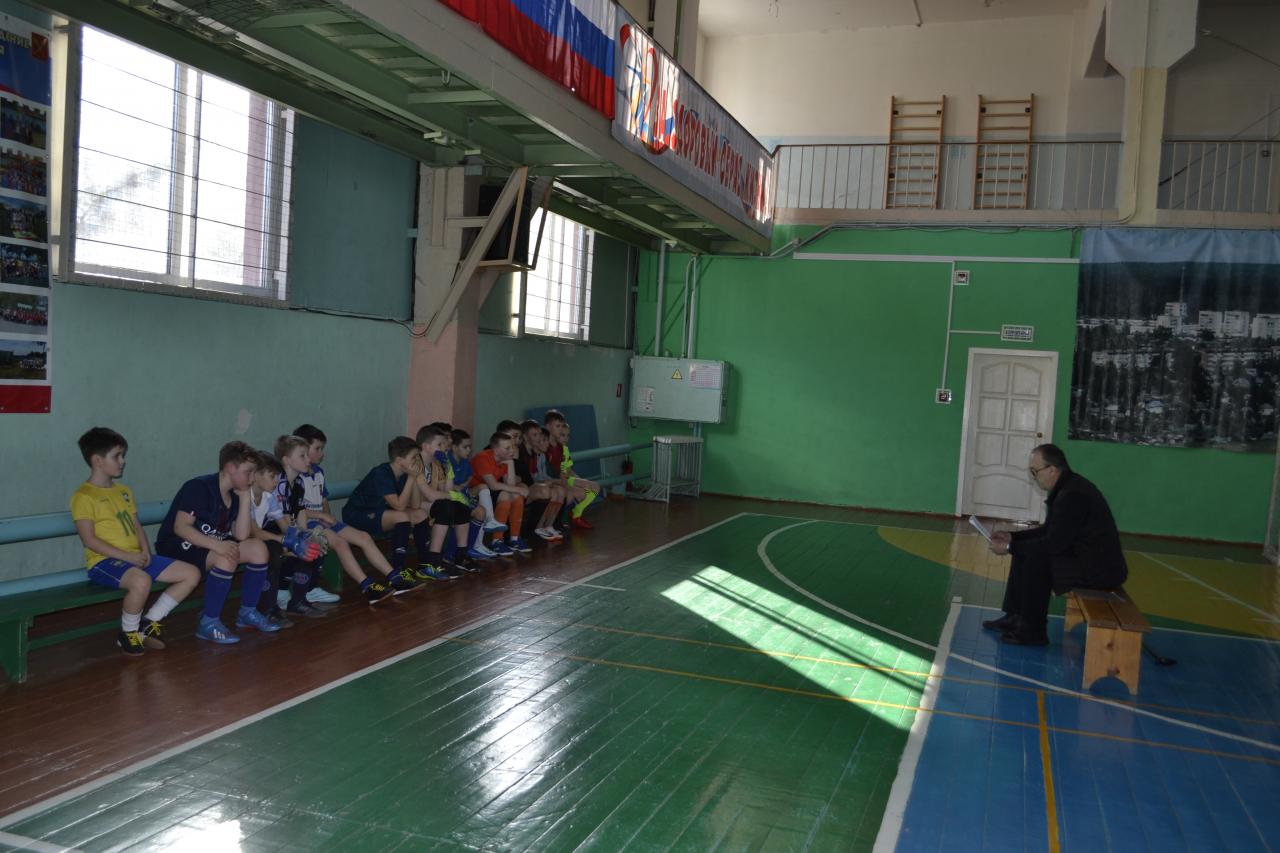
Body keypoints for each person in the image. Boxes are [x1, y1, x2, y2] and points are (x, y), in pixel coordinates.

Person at [70, 428, 202, 655]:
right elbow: (89, 540)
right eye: (117, 456)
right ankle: (128, 633)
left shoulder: (124, 491)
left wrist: (145, 551)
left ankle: (148, 624)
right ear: (97, 461)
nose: (122, 461)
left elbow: (136, 525)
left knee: (191, 574)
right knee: (141, 581)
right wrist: (128, 557)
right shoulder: (84, 496)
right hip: (104, 562)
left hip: (135, 558)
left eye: (123, 456)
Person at [986, 444, 1128, 646]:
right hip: (1085, 558)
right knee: (1026, 551)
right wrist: (1012, 537)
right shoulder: (1067, 487)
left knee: (1036, 559)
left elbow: (1053, 544)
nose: (1034, 476)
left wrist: (1009, 547)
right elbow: (1049, 531)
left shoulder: (1073, 495)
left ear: (1052, 469)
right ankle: (1015, 616)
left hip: (1100, 570)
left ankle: (1033, 631)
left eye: (1035, 471)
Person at [155, 441, 280, 644]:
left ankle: (247, 612)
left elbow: (241, 535)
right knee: (226, 557)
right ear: (230, 467)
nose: (252, 478)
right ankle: (208, 622)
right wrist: (218, 546)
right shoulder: (199, 487)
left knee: (258, 548)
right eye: (248, 472)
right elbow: (181, 528)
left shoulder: (236, 494)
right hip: (178, 547)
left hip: (209, 548)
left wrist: (245, 499)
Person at [278, 432, 417, 598]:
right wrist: (318, 518)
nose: (319, 454)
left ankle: (394, 577)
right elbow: (291, 512)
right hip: (308, 523)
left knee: (364, 537)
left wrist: (326, 517)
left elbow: (320, 502)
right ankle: (367, 586)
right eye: (314, 450)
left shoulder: (313, 475)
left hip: (319, 521)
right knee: (340, 543)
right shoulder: (287, 481)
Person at [341, 436, 434, 588]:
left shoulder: (404, 474)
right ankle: (398, 572)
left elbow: (416, 505)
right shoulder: (381, 473)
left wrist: (415, 478)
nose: (417, 461)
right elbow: (399, 506)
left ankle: (424, 566)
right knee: (401, 516)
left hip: (381, 513)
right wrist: (412, 478)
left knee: (421, 515)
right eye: (414, 457)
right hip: (358, 515)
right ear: (399, 460)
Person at [470, 432, 532, 555]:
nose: (512, 450)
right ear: (496, 450)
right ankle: (496, 541)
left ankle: (514, 538)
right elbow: (493, 485)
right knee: (506, 494)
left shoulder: (504, 459)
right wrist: (519, 489)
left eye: (513, 447)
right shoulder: (483, 457)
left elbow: (510, 484)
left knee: (516, 496)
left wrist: (510, 463)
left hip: (489, 491)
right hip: (475, 492)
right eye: (507, 448)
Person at [544, 410, 600, 530]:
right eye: (558, 426)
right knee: (578, 492)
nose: (561, 432)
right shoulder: (545, 446)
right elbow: (551, 473)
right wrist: (567, 484)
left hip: (564, 479)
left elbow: (567, 470)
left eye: (567, 435)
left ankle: (576, 513)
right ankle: (561, 519)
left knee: (594, 487)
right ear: (548, 427)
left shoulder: (562, 448)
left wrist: (579, 480)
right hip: (555, 481)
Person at [519, 419, 565, 541]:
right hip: (522, 489)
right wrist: (546, 483)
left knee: (559, 491)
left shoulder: (535, 454)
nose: (539, 437)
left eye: (540, 434)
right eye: (535, 435)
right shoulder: (521, 452)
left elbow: (539, 477)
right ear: (525, 437)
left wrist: (550, 482)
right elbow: (528, 479)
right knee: (546, 491)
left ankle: (547, 526)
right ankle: (532, 529)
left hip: (532, 487)